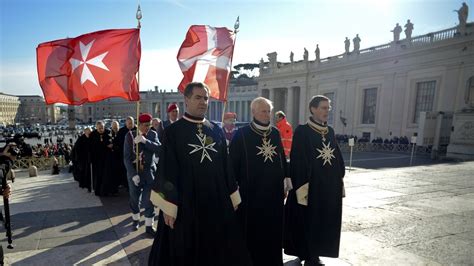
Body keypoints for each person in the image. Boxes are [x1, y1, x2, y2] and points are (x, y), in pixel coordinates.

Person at [148, 82, 251, 266]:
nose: (203, 101)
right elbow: (167, 168)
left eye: (206, 98)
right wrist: (168, 206)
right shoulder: (173, 131)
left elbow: (226, 165)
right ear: (186, 100)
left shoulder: (216, 129)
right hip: (186, 204)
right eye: (198, 97)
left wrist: (232, 196)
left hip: (216, 202)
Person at [284, 95, 345, 266]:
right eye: (324, 107)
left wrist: (340, 177)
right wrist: (303, 186)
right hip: (311, 187)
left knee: (323, 222)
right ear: (313, 109)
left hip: (328, 187)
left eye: (328, 108)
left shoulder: (330, 131)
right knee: (308, 222)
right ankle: (307, 254)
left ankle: (317, 253)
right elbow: (298, 160)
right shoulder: (302, 131)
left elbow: (337, 158)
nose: (327, 111)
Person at [229, 97, 290, 266]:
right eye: (263, 111)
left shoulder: (275, 133)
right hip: (251, 195)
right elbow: (232, 165)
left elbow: (281, 159)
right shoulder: (241, 134)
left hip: (274, 194)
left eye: (269, 111)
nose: (267, 114)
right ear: (253, 112)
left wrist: (285, 183)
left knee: (273, 232)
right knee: (252, 234)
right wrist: (232, 191)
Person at [123, 113, 161, 236]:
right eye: (145, 126)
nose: (147, 128)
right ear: (139, 125)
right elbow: (127, 158)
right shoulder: (129, 136)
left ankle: (149, 225)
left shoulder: (152, 134)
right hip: (134, 173)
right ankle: (135, 219)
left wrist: (146, 141)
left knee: (150, 200)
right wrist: (133, 174)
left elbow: (160, 149)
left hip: (149, 172)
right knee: (134, 198)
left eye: (149, 125)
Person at [90, 121, 115, 196]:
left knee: (107, 174)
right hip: (97, 158)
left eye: (102, 128)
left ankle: (108, 191)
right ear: (96, 128)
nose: (101, 130)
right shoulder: (93, 134)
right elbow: (92, 146)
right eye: (99, 128)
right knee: (99, 175)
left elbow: (112, 141)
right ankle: (98, 191)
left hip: (107, 157)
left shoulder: (108, 132)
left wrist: (112, 145)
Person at [116, 117, 136, 189]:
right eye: (129, 123)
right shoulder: (121, 131)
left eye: (132, 123)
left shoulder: (137, 130)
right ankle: (126, 185)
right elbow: (117, 143)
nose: (130, 125)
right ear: (126, 123)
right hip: (125, 155)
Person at [71, 127, 92, 191]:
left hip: (91, 159)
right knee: (86, 174)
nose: (90, 133)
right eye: (89, 132)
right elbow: (76, 150)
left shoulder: (92, 137)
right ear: (85, 132)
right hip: (83, 160)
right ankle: (88, 186)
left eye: (90, 132)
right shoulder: (81, 139)